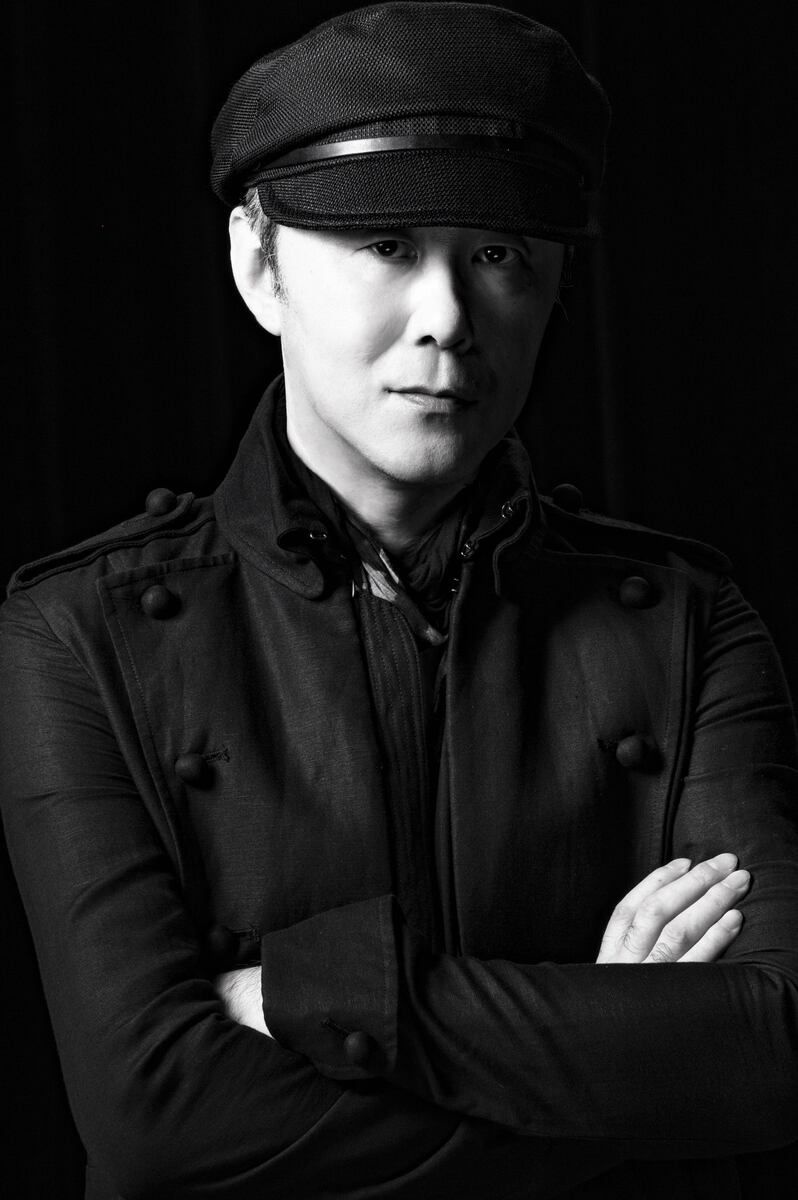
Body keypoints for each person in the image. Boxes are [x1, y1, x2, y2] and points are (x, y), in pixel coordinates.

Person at [1, 3, 797, 1197]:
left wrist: (305, 992)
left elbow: (773, 1052)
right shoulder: (79, 630)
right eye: (385, 246)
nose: (448, 320)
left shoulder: (689, 620)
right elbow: (155, 1118)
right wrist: (627, 1067)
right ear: (258, 262)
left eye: (499, 256)